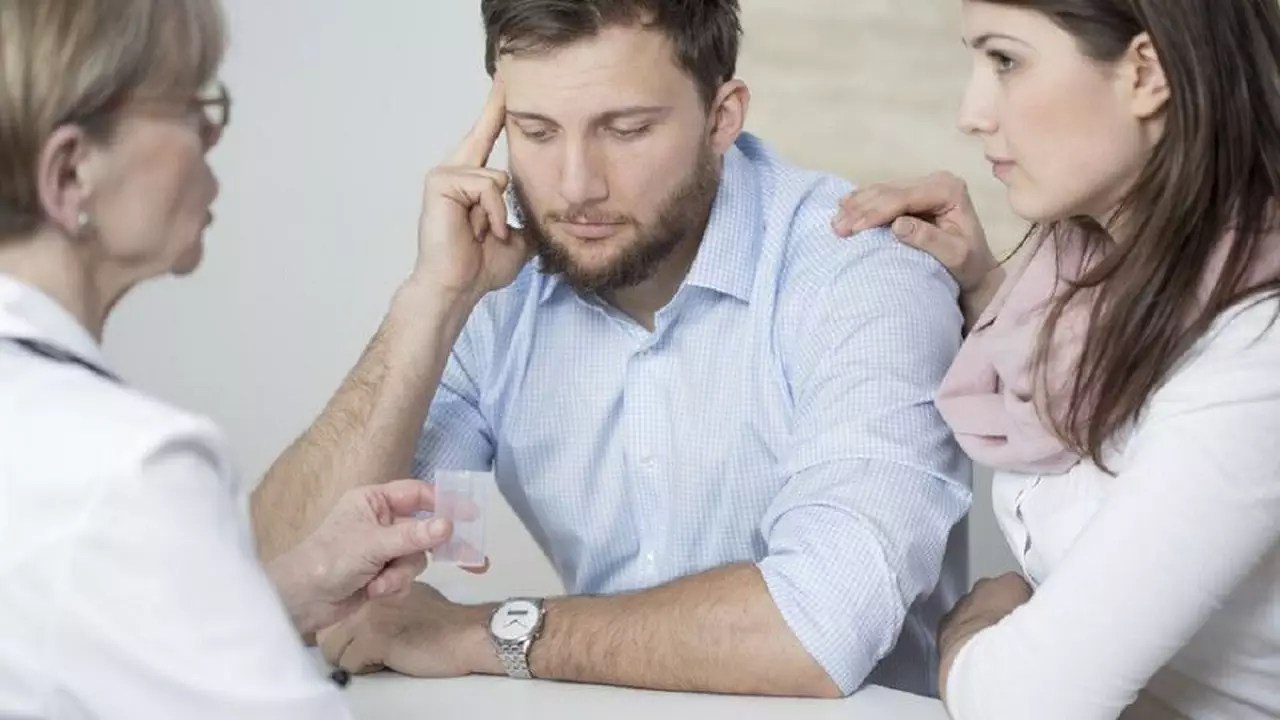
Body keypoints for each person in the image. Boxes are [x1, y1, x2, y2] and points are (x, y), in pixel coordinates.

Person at [251, 0, 972, 700]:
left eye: (625, 130)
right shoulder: (493, 289)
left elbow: (821, 626)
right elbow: (287, 575)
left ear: (722, 118)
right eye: (535, 131)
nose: (575, 187)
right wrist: (431, 301)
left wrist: (482, 634)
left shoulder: (866, 277)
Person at [0, 2, 462, 717]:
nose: (215, 134)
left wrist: (289, 585)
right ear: (70, 173)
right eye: (191, 106)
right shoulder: (128, 471)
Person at [833, 1, 1280, 718]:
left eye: (1005, 60)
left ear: (1145, 73)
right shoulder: (1095, 274)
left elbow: (1027, 701)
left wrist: (979, 623)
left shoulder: (1257, 355)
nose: (972, 113)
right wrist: (984, 285)